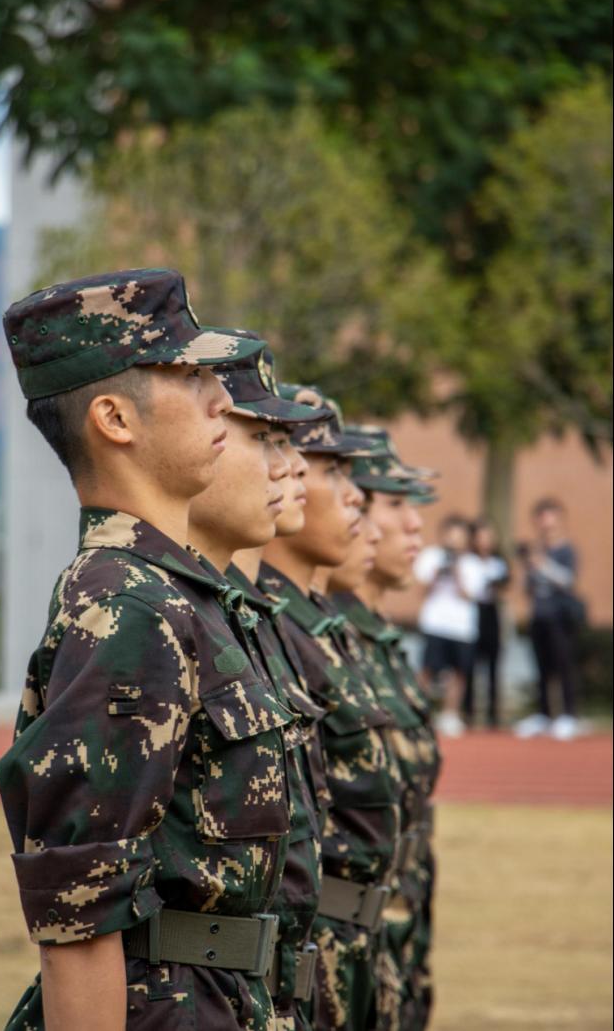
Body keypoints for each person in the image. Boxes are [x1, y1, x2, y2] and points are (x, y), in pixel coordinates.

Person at [0, 268, 296, 1031]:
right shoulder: (125, 604)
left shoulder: (177, 594)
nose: (221, 398)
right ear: (114, 418)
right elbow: (80, 913)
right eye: (189, 376)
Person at [188, 351, 331, 1030]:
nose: (291, 467)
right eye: (265, 438)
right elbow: (87, 900)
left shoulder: (241, 617)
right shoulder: (140, 607)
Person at [258, 386, 402, 1031]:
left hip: (352, 939)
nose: (356, 499)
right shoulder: (269, 623)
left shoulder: (314, 626)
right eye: (334, 471)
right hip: (301, 948)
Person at [330, 429, 442, 1031]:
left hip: (396, 919)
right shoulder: (324, 639)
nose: (413, 524)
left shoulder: (371, 638)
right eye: (395, 503)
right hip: (346, 933)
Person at [514, 497, 584, 741]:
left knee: (563, 666)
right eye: (541, 519)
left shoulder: (566, 550)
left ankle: (568, 716)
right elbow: (527, 588)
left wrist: (542, 564)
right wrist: (527, 568)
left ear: (559, 520)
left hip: (560, 618)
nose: (546, 525)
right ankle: (544, 715)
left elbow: (568, 581)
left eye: (550, 519)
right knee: (541, 668)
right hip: (539, 616)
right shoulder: (536, 551)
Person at [414, 516, 484, 737]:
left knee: (458, 673)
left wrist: (456, 572)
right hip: (435, 623)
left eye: (459, 536)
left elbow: (471, 595)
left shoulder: (473, 563)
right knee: (427, 669)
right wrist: (437, 573)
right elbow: (421, 591)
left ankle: (450, 715)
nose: (454, 541)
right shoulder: (431, 556)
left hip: (461, 627)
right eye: (451, 536)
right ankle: (419, 712)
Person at [462, 518, 510, 729]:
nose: (485, 541)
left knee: (493, 666)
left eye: (489, 536)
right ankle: (468, 712)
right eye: (481, 536)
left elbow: (505, 591)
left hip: (492, 612)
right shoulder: (467, 562)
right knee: (470, 665)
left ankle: (493, 715)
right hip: (473, 613)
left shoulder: (498, 563)